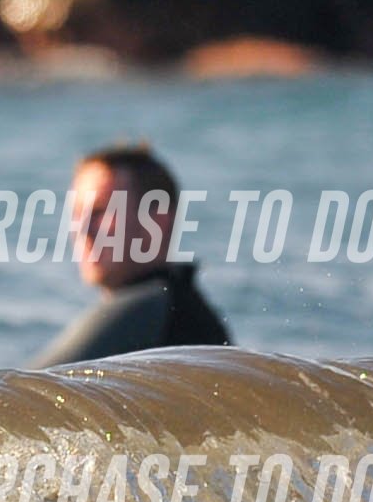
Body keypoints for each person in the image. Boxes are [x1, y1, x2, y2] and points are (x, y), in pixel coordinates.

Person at [30, 142, 232, 366]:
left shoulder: (150, 307)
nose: (83, 230)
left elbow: (22, 385)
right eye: (77, 214)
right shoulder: (182, 309)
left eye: (100, 212)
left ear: (155, 222)